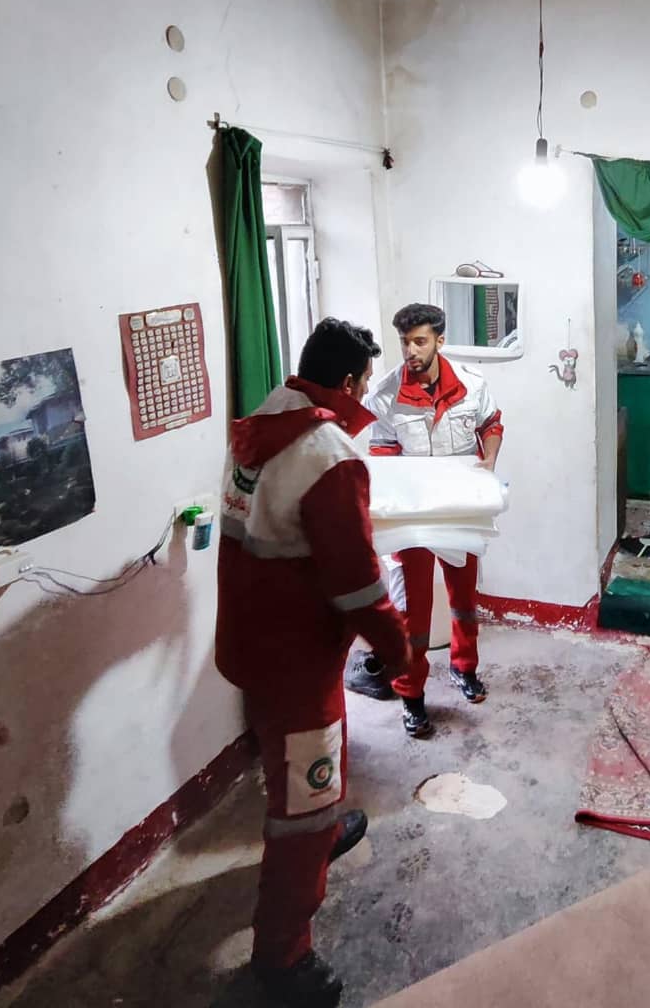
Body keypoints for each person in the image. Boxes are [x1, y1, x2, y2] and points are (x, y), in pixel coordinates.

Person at [216, 317, 412, 1008]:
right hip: (297, 659)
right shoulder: (327, 454)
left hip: (250, 641)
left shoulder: (262, 424)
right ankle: (282, 959)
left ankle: (326, 829)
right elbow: (357, 585)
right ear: (350, 382)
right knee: (302, 803)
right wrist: (397, 649)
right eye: (365, 382)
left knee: (299, 771)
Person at [345, 303, 504, 739]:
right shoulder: (385, 394)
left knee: (463, 598)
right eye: (405, 342)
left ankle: (464, 668)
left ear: (439, 340)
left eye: (420, 341)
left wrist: (488, 462)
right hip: (412, 516)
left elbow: (492, 424)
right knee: (410, 612)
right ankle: (411, 694)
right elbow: (383, 453)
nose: (411, 351)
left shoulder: (472, 385)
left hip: (458, 510)